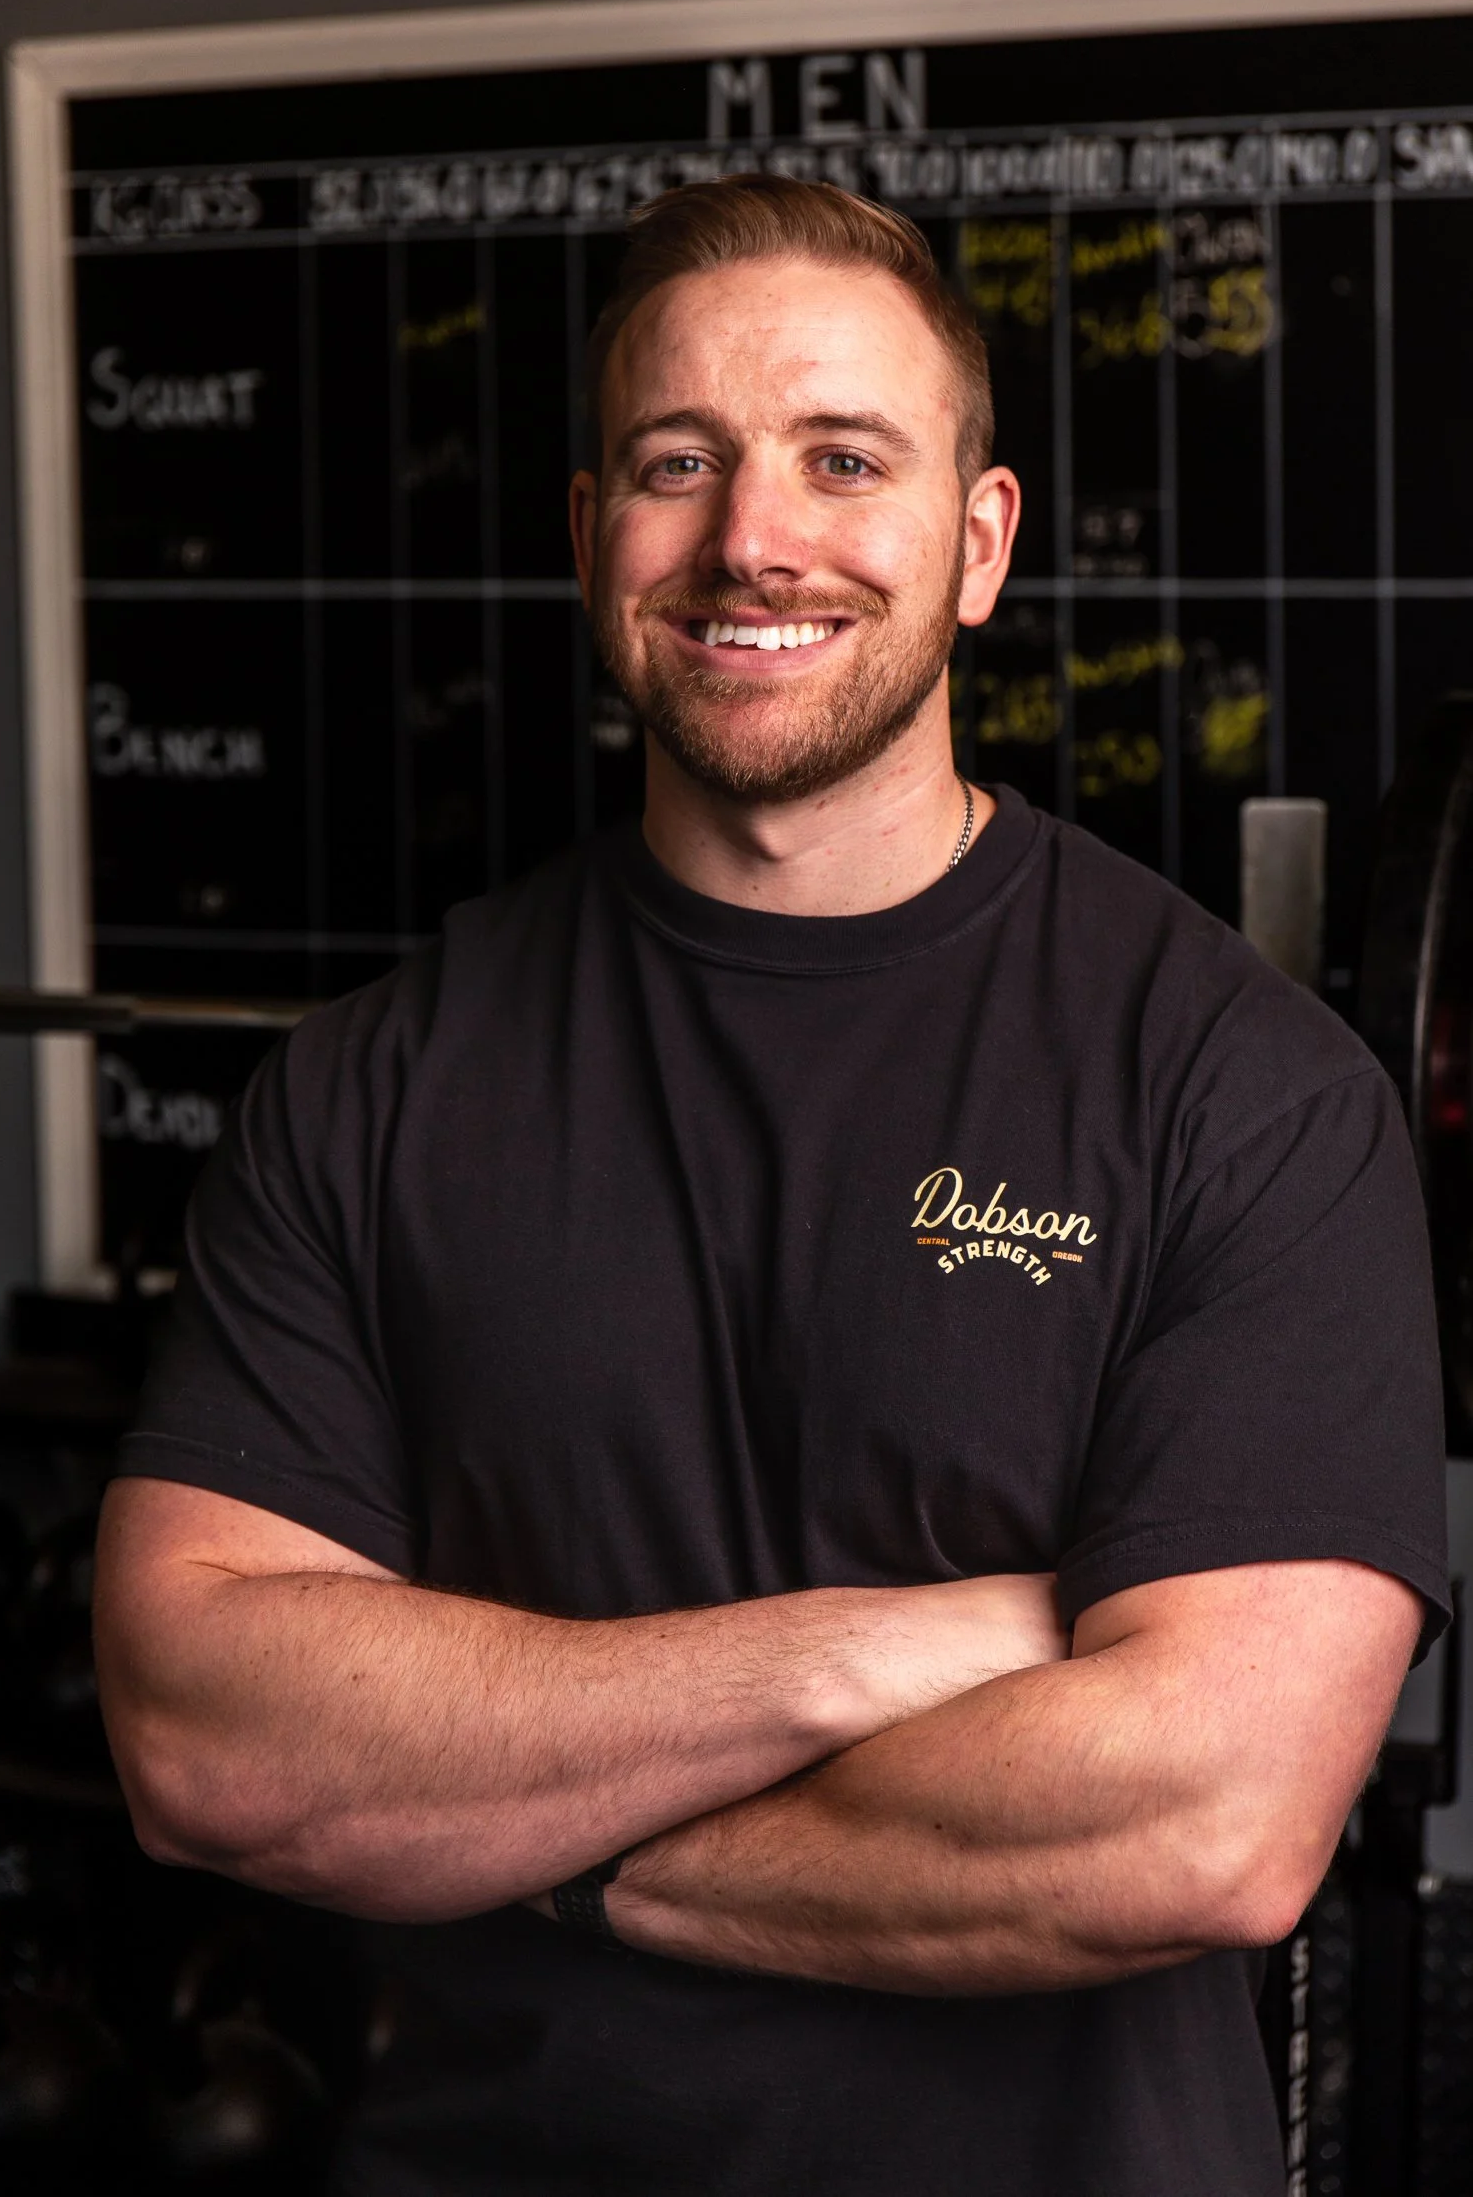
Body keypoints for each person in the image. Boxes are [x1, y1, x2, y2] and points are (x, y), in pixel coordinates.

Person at [94, 176, 1449, 2197]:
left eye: (844, 459)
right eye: (678, 462)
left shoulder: (1244, 1093)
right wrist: (856, 1655)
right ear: (590, 536)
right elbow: (207, 1737)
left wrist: (560, 1854)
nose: (752, 538)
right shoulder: (369, 1085)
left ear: (978, 543)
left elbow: (1211, 1823)